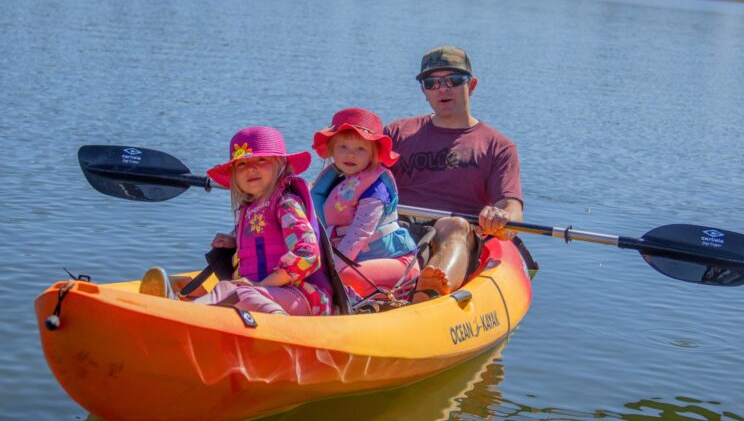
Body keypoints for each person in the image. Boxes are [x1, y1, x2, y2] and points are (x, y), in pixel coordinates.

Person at [139, 126, 332, 316]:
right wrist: (235, 243)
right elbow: (264, 241)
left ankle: (183, 314)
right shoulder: (247, 210)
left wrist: (260, 286)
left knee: (239, 292)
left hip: (302, 296)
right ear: (234, 174)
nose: (251, 168)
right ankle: (181, 310)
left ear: (280, 164)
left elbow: (308, 255)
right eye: (242, 164)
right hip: (261, 293)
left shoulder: (286, 204)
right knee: (208, 285)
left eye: (262, 159)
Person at [384, 46, 524, 302]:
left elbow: (511, 206)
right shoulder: (396, 133)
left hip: (455, 235)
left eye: (453, 80)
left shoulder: (498, 147)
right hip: (394, 228)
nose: (443, 88)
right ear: (423, 91)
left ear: (471, 85)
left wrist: (501, 217)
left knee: (454, 226)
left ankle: (428, 296)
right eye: (432, 82)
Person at [310, 108, 419, 301]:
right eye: (343, 147)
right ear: (332, 149)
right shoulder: (337, 180)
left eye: (360, 149)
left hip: (397, 264)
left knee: (341, 278)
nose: (350, 155)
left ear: (373, 154)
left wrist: (331, 269)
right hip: (356, 262)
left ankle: (406, 292)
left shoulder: (375, 189)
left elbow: (360, 233)